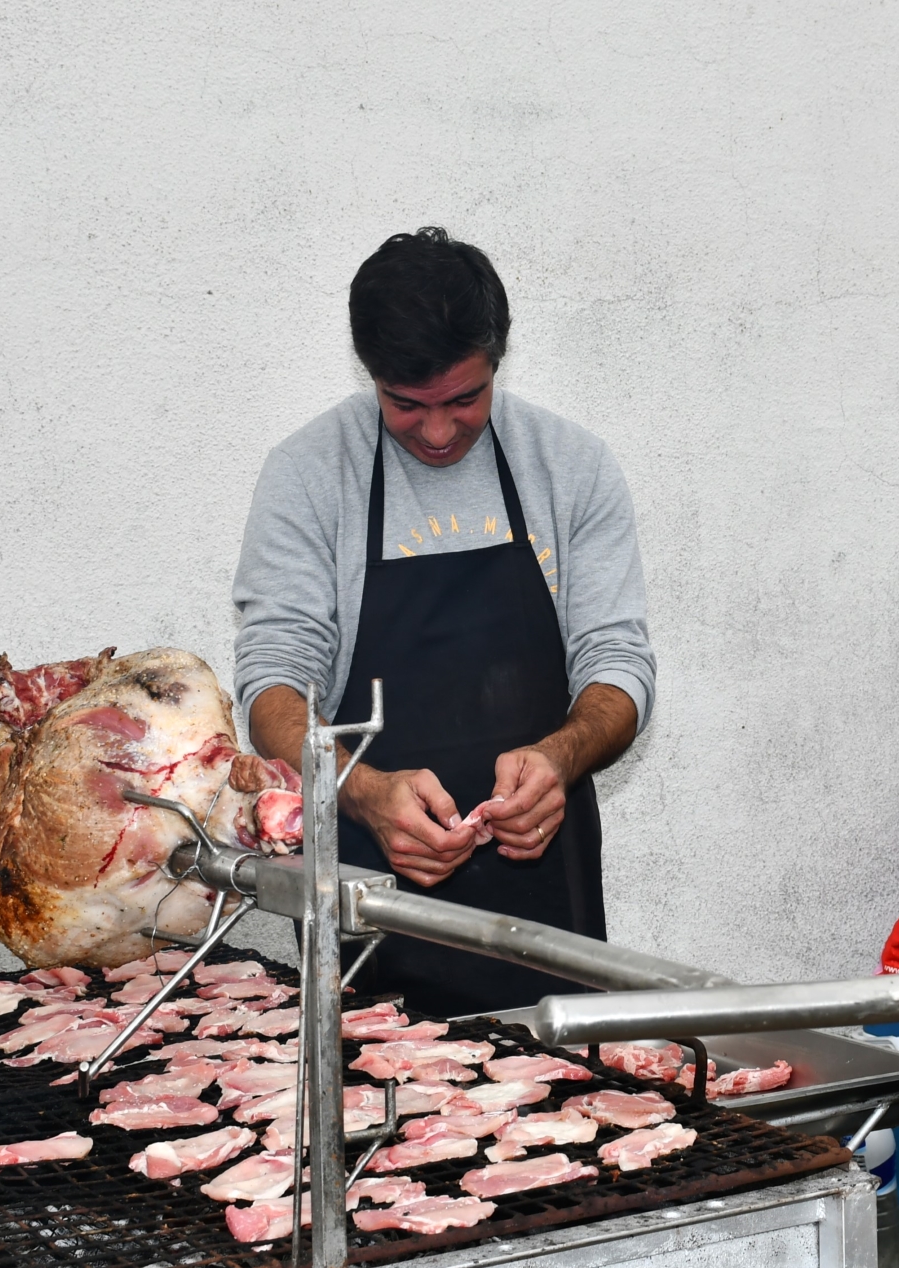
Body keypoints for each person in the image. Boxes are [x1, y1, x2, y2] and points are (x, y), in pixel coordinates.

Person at [233, 227, 654, 1017]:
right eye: (405, 404)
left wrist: (560, 756)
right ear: (370, 373)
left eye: (464, 399)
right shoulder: (309, 473)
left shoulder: (569, 466)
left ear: (496, 360)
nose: (436, 431)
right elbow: (271, 686)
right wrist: (361, 790)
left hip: (547, 919)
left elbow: (619, 664)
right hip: (367, 918)